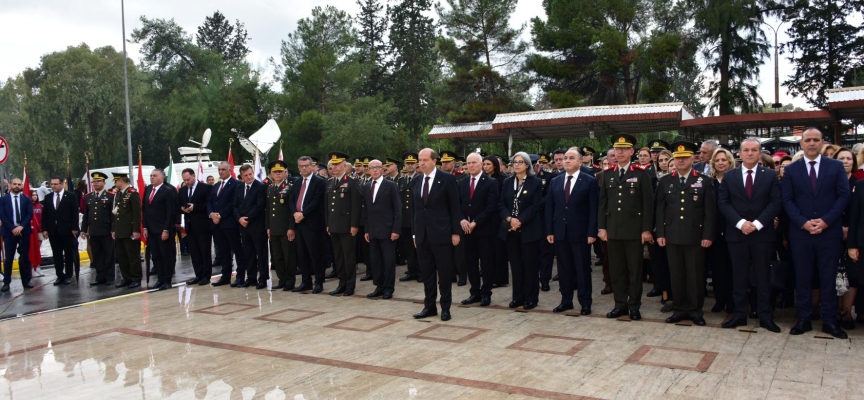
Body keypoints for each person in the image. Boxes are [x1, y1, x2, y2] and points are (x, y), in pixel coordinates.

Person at [782, 128, 850, 338]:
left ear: (822, 143)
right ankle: (804, 319)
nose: (811, 143)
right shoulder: (792, 170)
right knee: (803, 277)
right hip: (801, 234)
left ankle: (829, 321)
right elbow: (787, 200)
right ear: (801, 144)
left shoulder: (836, 167)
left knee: (828, 278)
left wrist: (826, 221)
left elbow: (843, 196)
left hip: (828, 234)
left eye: (816, 140)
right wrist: (803, 223)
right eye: (808, 140)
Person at [717, 138, 783, 332]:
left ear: (760, 153)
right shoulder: (730, 176)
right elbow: (723, 203)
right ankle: (739, 315)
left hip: (762, 234)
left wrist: (756, 224)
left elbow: (775, 203)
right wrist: (741, 223)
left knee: (763, 277)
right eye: (746, 150)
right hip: (737, 234)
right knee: (739, 277)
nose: (750, 153)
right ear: (740, 153)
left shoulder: (770, 176)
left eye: (754, 150)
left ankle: (765, 316)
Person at [655, 142, 716, 326]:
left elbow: (710, 212)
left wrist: (707, 235)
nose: (681, 161)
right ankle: (679, 309)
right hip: (672, 235)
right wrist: (660, 233)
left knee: (695, 274)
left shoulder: (704, 180)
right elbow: (660, 210)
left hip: (695, 236)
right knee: (677, 274)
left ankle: (695, 310)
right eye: (678, 158)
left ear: (692, 159)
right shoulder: (666, 180)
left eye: (685, 157)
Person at [598, 134, 654, 320]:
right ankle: (620, 305)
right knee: (617, 270)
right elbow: (603, 204)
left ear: (632, 151)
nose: (620, 152)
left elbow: (648, 204)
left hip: (634, 231)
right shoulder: (608, 174)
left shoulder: (641, 173)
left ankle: (634, 306)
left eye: (624, 149)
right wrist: (602, 228)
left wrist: (646, 229)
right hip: (613, 231)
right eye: (617, 149)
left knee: (635, 270)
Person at [546, 147, 598, 314]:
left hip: (581, 233)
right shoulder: (555, 181)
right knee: (564, 268)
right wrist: (550, 231)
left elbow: (593, 209)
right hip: (560, 232)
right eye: (564, 158)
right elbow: (550, 208)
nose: (566, 161)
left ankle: (585, 302)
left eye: (570, 158)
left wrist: (592, 232)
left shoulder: (589, 181)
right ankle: (566, 300)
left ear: (580, 162)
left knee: (582, 268)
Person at [412, 148, 461, 321]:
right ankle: (429, 306)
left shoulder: (446, 179)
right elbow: (415, 211)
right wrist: (414, 235)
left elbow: (455, 208)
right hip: (422, 236)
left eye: (425, 160)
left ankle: (445, 307)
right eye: (420, 160)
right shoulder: (416, 181)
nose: (422, 163)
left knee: (444, 273)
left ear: (434, 161)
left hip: (442, 234)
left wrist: (456, 232)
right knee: (427, 274)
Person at [499, 152, 543, 310]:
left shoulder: (536, 182)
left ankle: (531, 298)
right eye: (514, 162)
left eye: (520, 162)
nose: (516, 165)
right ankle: (518, 297)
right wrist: (510, 219)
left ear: (527, 165)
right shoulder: (507, 182)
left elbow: (535, 206)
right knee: (516, 266)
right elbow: (501, 203)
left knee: (529, 265)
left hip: (528, 229)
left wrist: (520, 220)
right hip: (510, 230)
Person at [458, 153, 500, 307]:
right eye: (468, 163)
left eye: (474, 162)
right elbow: (457, 205)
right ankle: (474, 292)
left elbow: (491, 207)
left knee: (486, 263)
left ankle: (486, 293)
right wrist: (462, 220)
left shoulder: (490, 182)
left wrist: (475, 222)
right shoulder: (462, 183)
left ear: (481, 164)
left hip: (484, 230)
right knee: (471, 263)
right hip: (466, 230)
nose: (471, 165)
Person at [324, 152, 363, 296]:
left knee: (348, 256)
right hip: (334, 225)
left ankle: (350, 285)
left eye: (337, 164)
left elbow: (356, 205)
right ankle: (341, 283)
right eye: (332, 165)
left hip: (347, 226)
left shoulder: (352, 182)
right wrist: (327, 223)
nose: (334, 167)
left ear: (344, 165)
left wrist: (354, 225)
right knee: (338, 256)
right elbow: (327, 206)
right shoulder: (329, 182)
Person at [363, 159, 402, 299]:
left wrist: (396, 230)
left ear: (382, 170)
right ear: (368, 170)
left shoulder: (390, 185)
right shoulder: (367, 186)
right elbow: (366, 210)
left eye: (377, 167)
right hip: (373, 230)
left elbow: (397, 209)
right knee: (376, 260)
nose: (374, 170)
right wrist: (366, 230)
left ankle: (389, 288)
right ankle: (379, 286)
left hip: (388, 230)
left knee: (389, 261)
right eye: (371, 168)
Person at [290, 156, 327, 293]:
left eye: (306, 165)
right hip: (299, 223)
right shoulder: (297, 182)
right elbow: (292, 199)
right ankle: (306, 282)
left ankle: (319, 282)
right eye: (301, 166)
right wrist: (295, 213)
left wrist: (303, 213)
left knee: (316, 254)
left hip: (313, 223)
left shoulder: (319, 182)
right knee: (302, 254)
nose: (304, 168)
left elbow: (316, 201)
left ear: (312, 166)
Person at [708, 147, 736, 314]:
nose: (720, 163)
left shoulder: (735, 180)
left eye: (723, 160)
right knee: (718, 269)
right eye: (717, 160)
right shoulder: (709, 182)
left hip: (733, 230)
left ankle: (732, 302)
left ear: (730, 162)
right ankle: (720, 301)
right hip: (714, 231)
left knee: (733, 268)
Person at [208, 162, 246, 287]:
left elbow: (233, 203)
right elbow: (210, 202)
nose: (220, 172)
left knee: (237, 250)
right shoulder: (216, 185)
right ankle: (225, 276)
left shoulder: (236, 184)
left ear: (230, 170)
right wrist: (212, 214)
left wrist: (220, 215)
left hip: (230, 223)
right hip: (217, 224)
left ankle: (240, 277)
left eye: (223, 169)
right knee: (223, 252)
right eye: (219, 169)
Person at [233, 164, 268, 289]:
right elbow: (235, 206)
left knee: (261, 252)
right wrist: (239, 218)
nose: (249, 177)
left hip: (257, 225)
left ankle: (263, 278)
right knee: (248, 252)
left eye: (250, 174)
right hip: (244, 226)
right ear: (241, 176)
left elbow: (259, 206)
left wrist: (246, 218)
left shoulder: (261, 187)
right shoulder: (238, 188)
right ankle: (251, 277)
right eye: (246, 175)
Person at [142, 169, 178, 291]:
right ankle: (160, 279)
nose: (152, 178)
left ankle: (167, 280)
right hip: (151, 229)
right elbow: (145, 210)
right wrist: (145, 227)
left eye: (155, 176)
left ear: (162, 178)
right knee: (156, 256)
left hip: (163, 229)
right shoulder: (148, 190)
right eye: (151, 175)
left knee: (165, 255)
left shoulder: (167, 191)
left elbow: (170, 212)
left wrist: (166, 229)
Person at [835, 147, 858, 328]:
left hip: (854, 237)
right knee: (833, 273)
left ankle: (847, 312)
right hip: (831, 232)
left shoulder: (860, 183)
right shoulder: (829, 182)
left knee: (852, 275)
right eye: (841, 158)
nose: (845, 161)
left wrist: (850, 230)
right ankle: (835, 310)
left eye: (848, 158)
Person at [265, 160, 297, 291]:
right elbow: (268, 209)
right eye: (275, 172)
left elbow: (291, 209)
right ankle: (282, 279)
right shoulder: (270, 187)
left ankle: (290, 281)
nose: (277, 174)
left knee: (288, 256)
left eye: (280, 172)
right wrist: (268, 227)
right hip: (274, 228)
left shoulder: (290, 187)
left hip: (286, 228)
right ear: (271, 174)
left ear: (285, 173)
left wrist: (291, 227)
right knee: (277, 256)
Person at [42, 176, 79, 286]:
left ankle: (68, 275)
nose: (53, 186)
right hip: (54, 231)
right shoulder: (48, 197)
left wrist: (74, 228)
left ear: (62, 184)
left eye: (55, 184)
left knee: (68, 254)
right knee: (56, 254)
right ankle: (59, 275)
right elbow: (45, 215)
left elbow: (74, 214)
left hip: (67, 231)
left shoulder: (71, 196)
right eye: (52, 184)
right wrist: (44, 229)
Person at [178, 168, 213, 286]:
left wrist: (195, 207)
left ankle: (206, 275)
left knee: (204, 251)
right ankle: (198, 274)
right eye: (184, 180)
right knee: (194, 252)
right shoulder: (182, 190)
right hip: (189, 225)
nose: (186, 182)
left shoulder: (205, 188)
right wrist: (182, 209)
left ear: (194, 176)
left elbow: (209, 204)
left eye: (188, 179)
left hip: (203, 225)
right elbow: (178, 205)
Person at [80, 172, 115, 286]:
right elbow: (86, 214)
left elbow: (113, 215)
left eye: (98, 181)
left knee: (108, 254)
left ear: (104, 183)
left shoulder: (110, 196)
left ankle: (110, 277)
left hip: (106, 230)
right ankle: (100, 276)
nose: (95, 183)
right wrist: (84, 229)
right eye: (94, 182)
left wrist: (113, 229)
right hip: (94, 230)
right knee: (97, 254)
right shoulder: (89, 197)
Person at [0, 178, 33, 291]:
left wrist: (21, 227)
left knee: (25, 258)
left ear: (22, 186)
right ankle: (6, 282)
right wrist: (13, 228)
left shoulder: (26, 199)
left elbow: (29, 214)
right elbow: (2, 215)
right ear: (10, 185)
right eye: (14, 184)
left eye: (19, 184)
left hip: (24, 231)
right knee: (9, 258)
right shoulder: (3, 199)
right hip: (9, 232)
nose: (17, 186)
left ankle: (26, 281)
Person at [110, 175, 142, 288]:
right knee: (122, 256)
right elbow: (115, 213)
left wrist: (136, 230)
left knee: (132, 255)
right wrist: (114, 229)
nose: (115, 183)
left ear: (121, 181)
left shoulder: (132, 193)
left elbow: (136, 214)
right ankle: (126, 277)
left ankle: (136, 278)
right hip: (120, 230)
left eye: (116, 181)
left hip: (129, 230)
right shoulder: (119, 194)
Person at [484, 155, 510, 287]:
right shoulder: (482, 179)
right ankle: (490, 274)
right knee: (489, 249)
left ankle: (500, 277)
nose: (486, 167)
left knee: (499, 249)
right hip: (486, 218)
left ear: (495, 165)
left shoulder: (503, 179)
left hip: (498, 218)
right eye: (484, 164)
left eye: (488, 164)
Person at [398, 152, 420, 282]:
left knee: (419, 248)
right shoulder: (401, 180)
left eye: (412, 163)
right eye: (408, 163)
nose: (410, 165)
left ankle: (421, 271)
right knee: (408, 248)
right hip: (405, 219)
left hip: (416, 218)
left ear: (416, 164)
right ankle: (411, 271)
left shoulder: (420, 178)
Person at [30, 191, 44, 277]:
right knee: (32, 249)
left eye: (36, 195)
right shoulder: (27, 206)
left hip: (39, 230)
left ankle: (37, 267)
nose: (34, 197)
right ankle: (32, 268)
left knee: (38, 249)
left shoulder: (40, 206)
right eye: (32, 195)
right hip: (31, 230)